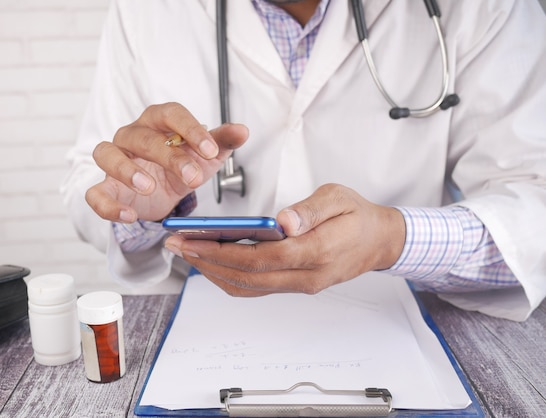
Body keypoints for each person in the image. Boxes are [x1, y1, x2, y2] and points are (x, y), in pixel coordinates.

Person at [61, 0, 546, 321]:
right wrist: (140, 206)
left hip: (402, 320)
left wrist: (392, 241)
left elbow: (536, 201)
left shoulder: (487, 8)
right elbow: (91, 180)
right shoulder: (144, 11)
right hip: (206, 325)